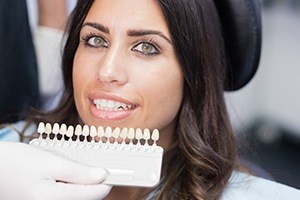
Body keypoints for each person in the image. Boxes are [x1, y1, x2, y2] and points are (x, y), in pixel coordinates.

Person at [0, 0, 299, 199]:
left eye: (146, 47)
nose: (107, 71)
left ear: (194, 73)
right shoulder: (10, 155)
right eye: (95, 40)